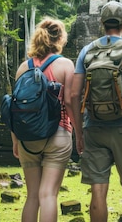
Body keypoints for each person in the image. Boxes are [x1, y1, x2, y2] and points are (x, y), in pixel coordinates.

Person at [70, 1, 122, 222]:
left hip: (94, 127)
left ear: (102, 24)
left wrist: (79, 134)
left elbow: (73, 96)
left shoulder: (86, 52)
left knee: (98, 191)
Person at [10, 17, 84, 222]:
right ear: (60, 39)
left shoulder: (23, 68)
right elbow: (70, 102)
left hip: (27, 138)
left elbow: (14, 108)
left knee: (32, 196)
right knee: (48, 194)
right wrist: (79, 134)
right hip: (57, 134)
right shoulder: (65, 65)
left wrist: (15, 140)